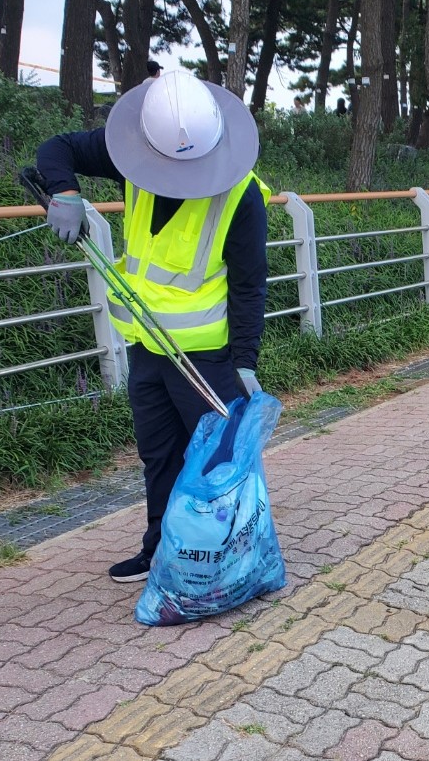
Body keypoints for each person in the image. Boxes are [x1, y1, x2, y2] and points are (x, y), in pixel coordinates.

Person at [36, 71, 270, 583]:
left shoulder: (241, 196)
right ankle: (161, 548)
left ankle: (230, 560)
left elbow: (250, 285)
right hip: (146, 344)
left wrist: (246, 361)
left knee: (217, 461)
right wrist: (64, 191)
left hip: (207, 358)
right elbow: (56, 149)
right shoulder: (133, 153)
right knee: (159, 455)